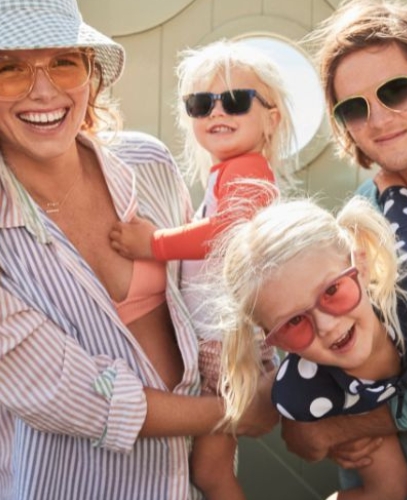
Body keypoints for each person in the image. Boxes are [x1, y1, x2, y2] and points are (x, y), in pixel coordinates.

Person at [0, 1, 278, 499]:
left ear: (91, 73)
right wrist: (235, 410)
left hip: (186, 482)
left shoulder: (147, 163)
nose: (44, 91)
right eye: (9, 70)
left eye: (65, 61)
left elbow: (206, 282)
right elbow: (72, 396)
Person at [282, 1, 407, 498]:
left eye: (395, 91)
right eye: (354, 108)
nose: (378, 119)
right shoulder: (363, 207)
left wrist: (335, 426)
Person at [106, 39, 295, 499]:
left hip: (226, 343)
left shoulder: (250, 171)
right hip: (218, 339)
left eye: (234, 101)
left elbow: (226, 230)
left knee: (211, 473)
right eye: (200, 104)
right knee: (207, 469)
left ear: (271, 118)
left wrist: (152, 242)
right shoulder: (228, 173)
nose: (216, 113)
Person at [214, 190, 407, 500]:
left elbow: (404, 230)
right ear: (271, 336)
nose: (327, 326)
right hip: (355, 404)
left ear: (361, 266)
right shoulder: (308, 392)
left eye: (332, 290)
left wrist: (393, 191)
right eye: (294, 323)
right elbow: (388, 491)